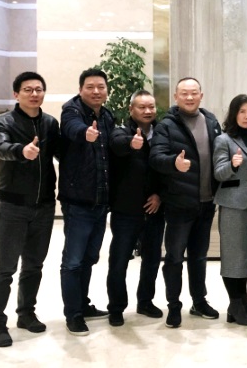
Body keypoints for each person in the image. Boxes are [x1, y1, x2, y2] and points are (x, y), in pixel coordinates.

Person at [0, 72, 60, 347]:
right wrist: (21, 151)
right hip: (13, 206)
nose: (34, 94)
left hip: (44, 205)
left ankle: (26, 313)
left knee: (34, 265)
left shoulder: (50, 123)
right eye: (28, 90)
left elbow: (63, 153)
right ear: (16, 94)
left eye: (39, 89)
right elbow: (0, 146)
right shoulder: (2, 121)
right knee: (5, 268)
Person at [149, 77, 222, 328]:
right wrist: (174, 163)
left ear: (201, 95)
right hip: (179, 204)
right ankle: (174, 306)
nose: (189, 97)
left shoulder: (211, 122)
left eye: (193, 93)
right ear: (176, 97)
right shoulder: (166, 125)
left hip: (206, 203)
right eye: (184, 93)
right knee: (174, 258)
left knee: (199, 257)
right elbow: (155, 158)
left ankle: (199, 302)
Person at [58, 68, 115, 335]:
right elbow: (72, 129)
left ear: (107, 90)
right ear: (81, 89)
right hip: (78, 202)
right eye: (90, 87)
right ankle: (73, 314)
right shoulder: (72, 111)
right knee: (73, 261)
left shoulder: (107, 116)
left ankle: (83, 304)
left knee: (90, 258)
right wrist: (85, 134)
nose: (96, 91)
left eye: (100, 87)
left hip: (100, 202)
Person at [106, 90, 165, 326]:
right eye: (142, 107)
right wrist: (132, 144)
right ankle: (116, 308)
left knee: (152, 260)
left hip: (154, 209)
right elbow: (117, 145)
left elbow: (167, 169)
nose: (148, 111)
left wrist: (160, 195)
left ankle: (145, 302)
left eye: (151, 107)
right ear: (131, 110)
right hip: (126, 210)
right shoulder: (121, 132)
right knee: (119, 261)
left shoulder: (162, 133)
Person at [212, 94, 247, 326]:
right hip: (233, 206)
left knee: (245, 257)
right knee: (232, 257)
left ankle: (241, 303)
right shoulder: (223, 140)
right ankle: (236, 304)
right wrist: (232, 165)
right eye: (242, 111)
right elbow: (219, 173)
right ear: (234, 115)